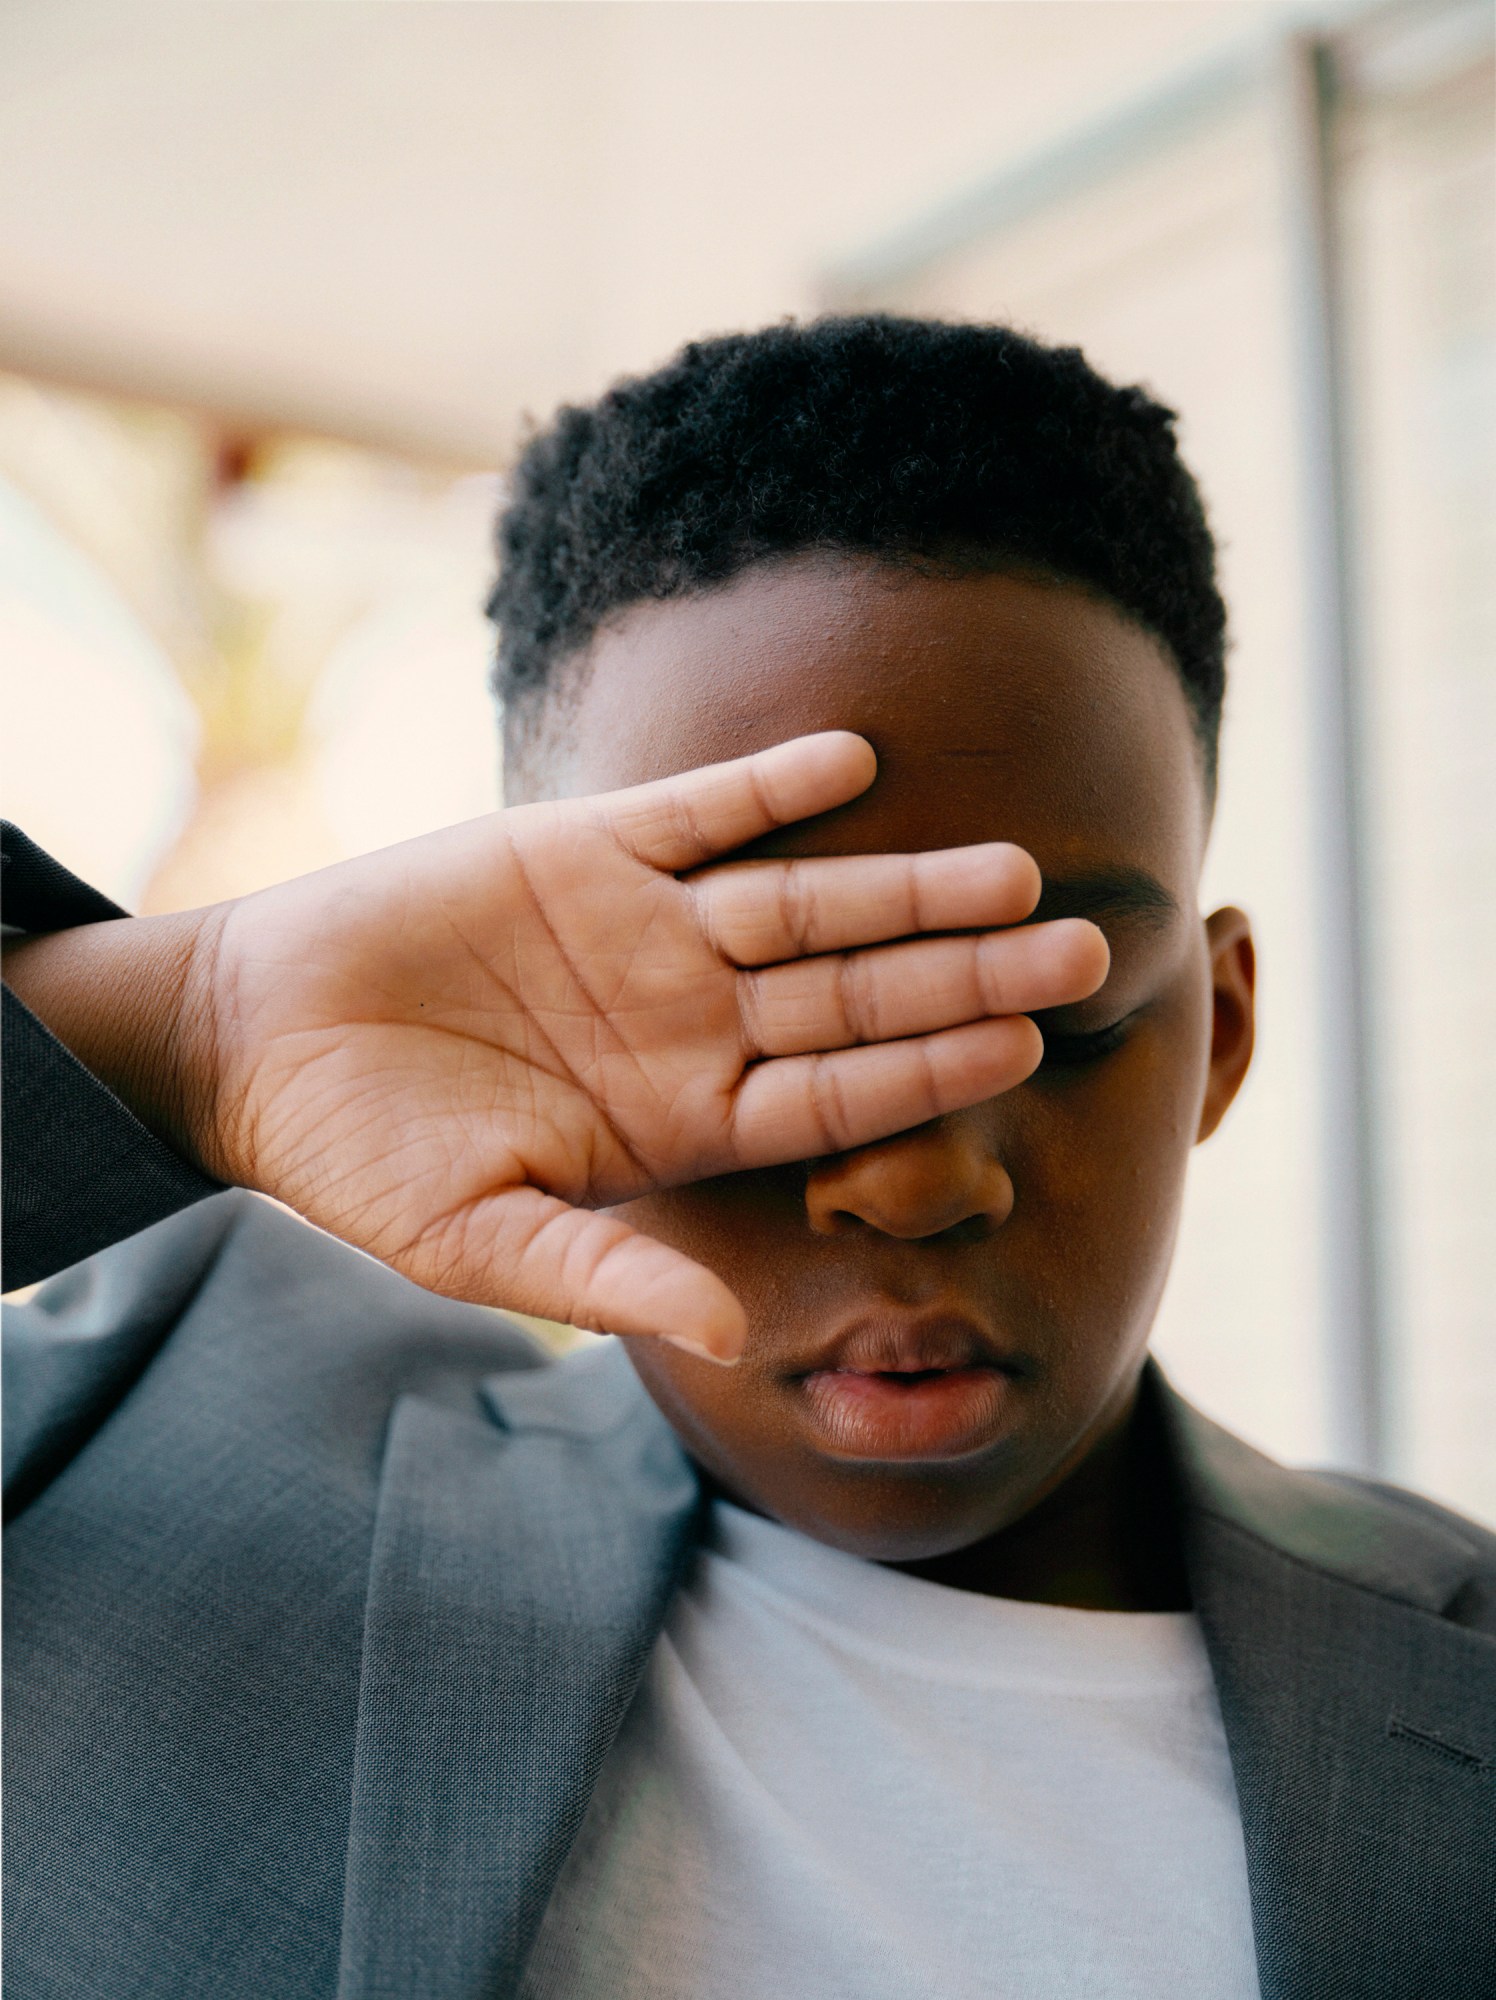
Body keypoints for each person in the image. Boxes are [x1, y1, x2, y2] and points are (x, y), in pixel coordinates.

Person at [3, 317, 1491, 2000]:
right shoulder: (138, 1451)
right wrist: (179, 1031)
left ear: (1218, 1032)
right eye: (754, 1008)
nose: (915, 1179)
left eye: (1057, 1016)